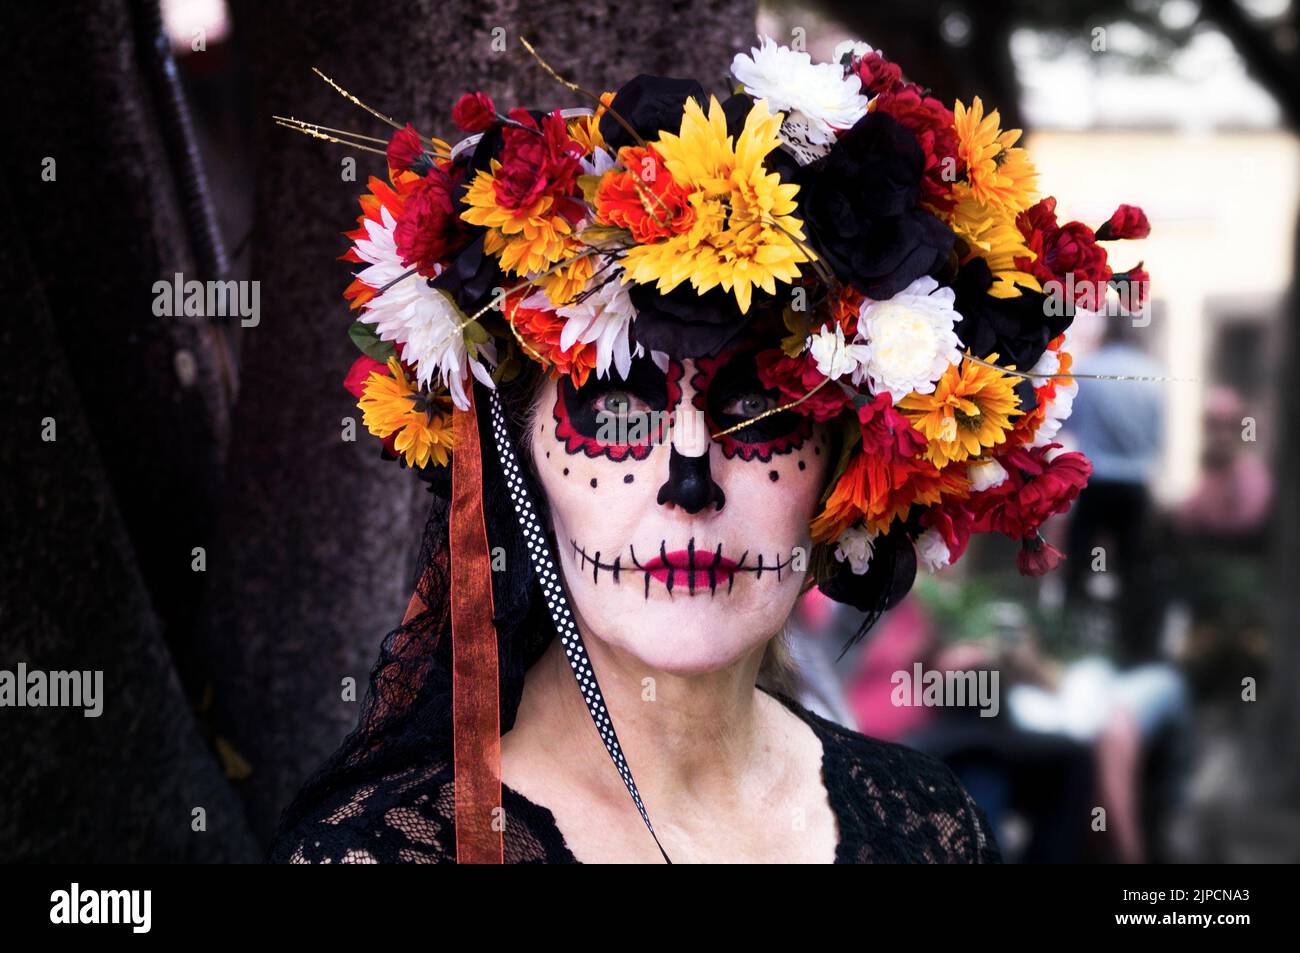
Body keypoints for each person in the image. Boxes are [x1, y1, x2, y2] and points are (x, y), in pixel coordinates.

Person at [265, 35, 1144, 863]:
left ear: (848, 468)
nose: (690, 483)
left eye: (761, 411)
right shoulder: (388, 854)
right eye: (614, 413)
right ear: (516, 464)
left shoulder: (926, 824)